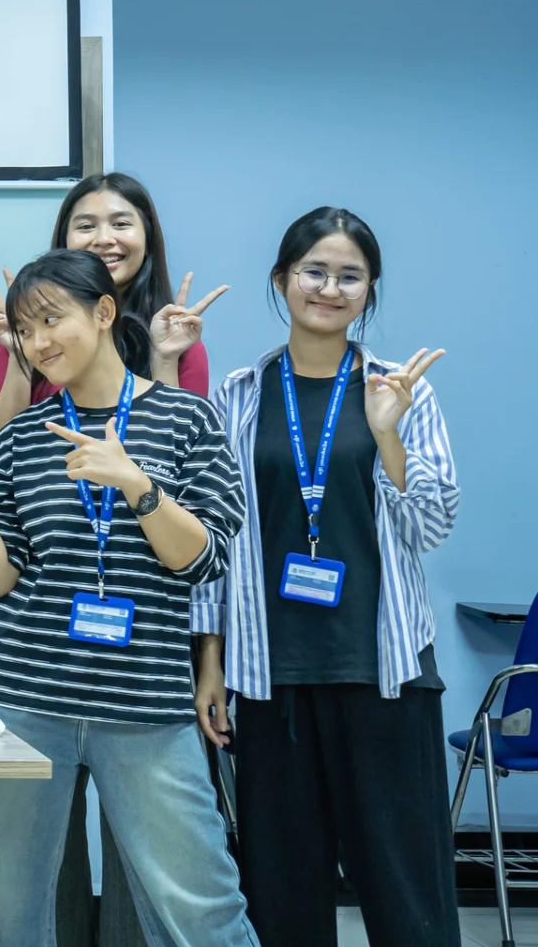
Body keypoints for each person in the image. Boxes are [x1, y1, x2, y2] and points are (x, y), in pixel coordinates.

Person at [0, 248, 256, 946]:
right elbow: (0, 578)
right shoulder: (21, 440)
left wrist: (137, 486)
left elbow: (203, 560)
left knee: (201, 905)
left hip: (143, 707)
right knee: (6, 906)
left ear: (103, 312)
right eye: (27, 330)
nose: (38, 343)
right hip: (22, 698)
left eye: (52, 320)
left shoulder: (188, 422)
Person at [203, 208, 458, 947]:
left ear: (369, 290)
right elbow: (216, 540)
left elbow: (430, 529)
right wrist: (210, 662)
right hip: (269, 675)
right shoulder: (239, 396)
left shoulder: (403, 390)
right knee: (281, 895)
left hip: (383, 672)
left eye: (350, 276)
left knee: (406, 891)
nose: (330, 287)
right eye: (314, 271)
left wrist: (386, 434)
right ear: (281, 281)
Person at [0, 172, 227, 453]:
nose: (104, 239)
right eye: (86, 226)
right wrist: (21, 353)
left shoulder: (179, 345)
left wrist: (163, 360)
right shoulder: (28, 337)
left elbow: (181, 458)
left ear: (148, 237)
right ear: (64, 239)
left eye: (120, 224)